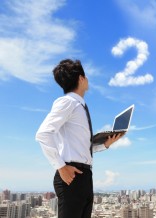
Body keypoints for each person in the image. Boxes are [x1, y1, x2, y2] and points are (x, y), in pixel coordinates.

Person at [35, 59, 123, 218]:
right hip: (71, 175)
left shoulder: (80, 106)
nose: (88, 79)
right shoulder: (68, 102)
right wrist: (61, 167)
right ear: (81, 79)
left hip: (84, 176)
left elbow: (81, 147)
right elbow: (43, 134)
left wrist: (105, 144)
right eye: (86, 76)